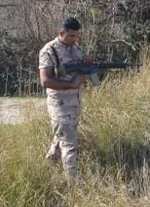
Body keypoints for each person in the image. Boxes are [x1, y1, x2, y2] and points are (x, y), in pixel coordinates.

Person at [38, 17, 88, 185]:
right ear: (61, 33)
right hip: (59, 104)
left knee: (60, 141)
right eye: (72, 36)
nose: (75, 39)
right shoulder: (49, 51)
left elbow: (78, 71)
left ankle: (44, 174)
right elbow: (45, 81)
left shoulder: (76, 48)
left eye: (77, 36)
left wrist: (87, 68)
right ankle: (72, 186)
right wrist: (70, 84)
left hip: (75, 103)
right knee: (69, 145)